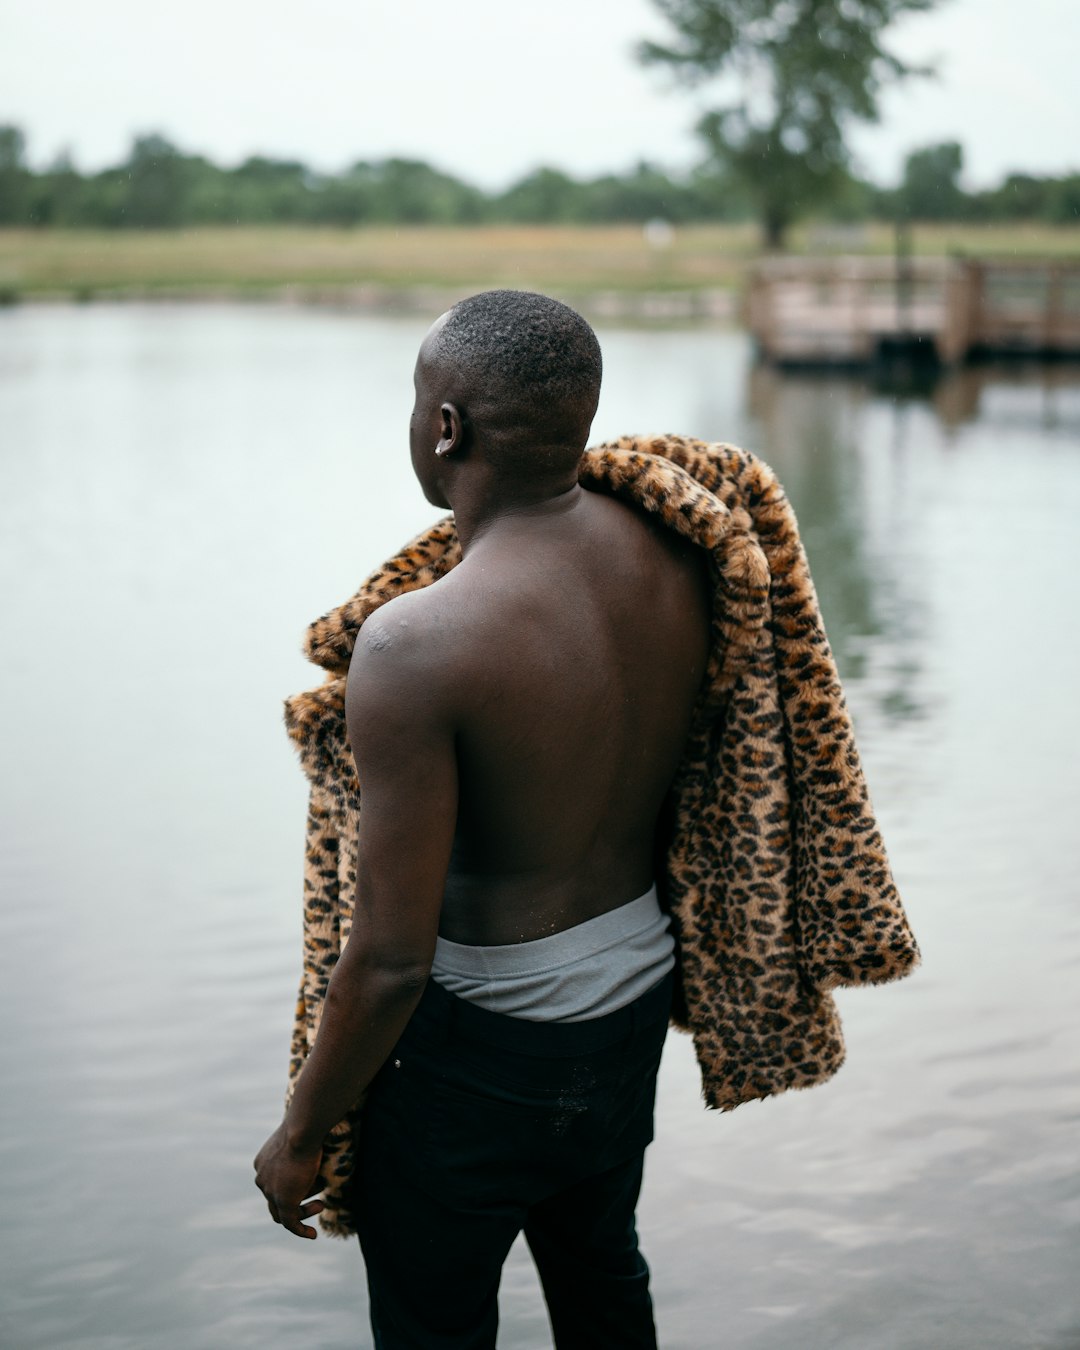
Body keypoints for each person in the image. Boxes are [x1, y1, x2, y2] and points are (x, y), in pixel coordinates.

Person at [254, 289, 712, 1348]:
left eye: (417, 400)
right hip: (633, 1007)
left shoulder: (418, 643)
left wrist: (302, 1133)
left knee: (434, 1327)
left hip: (473, 1059)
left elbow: (390, 963)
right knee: (604, 1284)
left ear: (446, 427)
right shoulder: (682, 558)